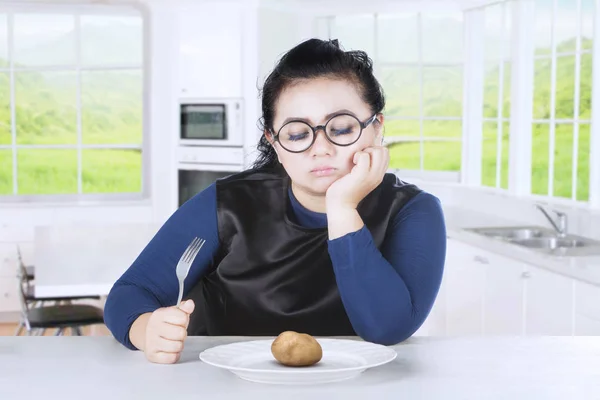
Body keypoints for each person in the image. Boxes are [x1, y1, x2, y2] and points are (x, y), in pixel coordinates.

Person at [103, 38, 447, 364]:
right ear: (274, 141)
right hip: (223, 386)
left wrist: (341, 208)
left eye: (341, 129)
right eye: (297, 134)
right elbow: (130, 292)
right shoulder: (227, 203)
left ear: (376, 128)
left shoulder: (413, 212)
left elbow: (386, 328)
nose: (320, 148)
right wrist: (146, 329)